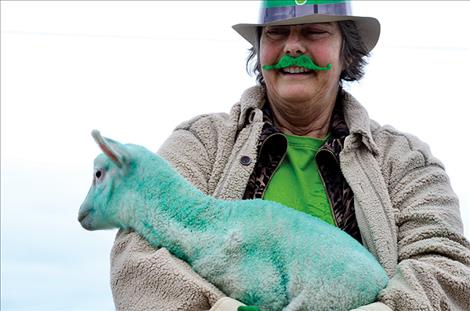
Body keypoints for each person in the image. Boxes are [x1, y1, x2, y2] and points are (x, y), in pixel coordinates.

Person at [110, 1, 470, 310]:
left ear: (347, 53)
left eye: (314, 32)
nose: (293, 47)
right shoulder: (202, 142)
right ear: (259, 49)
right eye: (276, 34)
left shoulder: (405, 160)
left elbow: (446, 263)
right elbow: (136, 253)